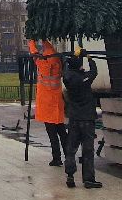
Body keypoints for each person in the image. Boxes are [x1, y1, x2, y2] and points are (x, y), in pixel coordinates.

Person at [62, 48, 101, 189]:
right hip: (87, 118)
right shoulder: (84, 78)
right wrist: (89, 57)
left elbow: (65, 70)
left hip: (74, 118)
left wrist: (67, 61)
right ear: (80, 65)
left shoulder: (67, 78)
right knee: (88, 150)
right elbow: (94, 71)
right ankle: (89, 179)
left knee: (71, 149)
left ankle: (70, 176)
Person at [28, 39, 68, 167]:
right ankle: (69, 155)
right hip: (57, 102)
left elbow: (35, 56)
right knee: (62, 132)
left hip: (47, 104)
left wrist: (31, 42)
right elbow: (48, 51)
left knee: (52, 134)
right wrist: (44, 40)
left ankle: (57, 158)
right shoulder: (57, 63)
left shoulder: (45, 65)